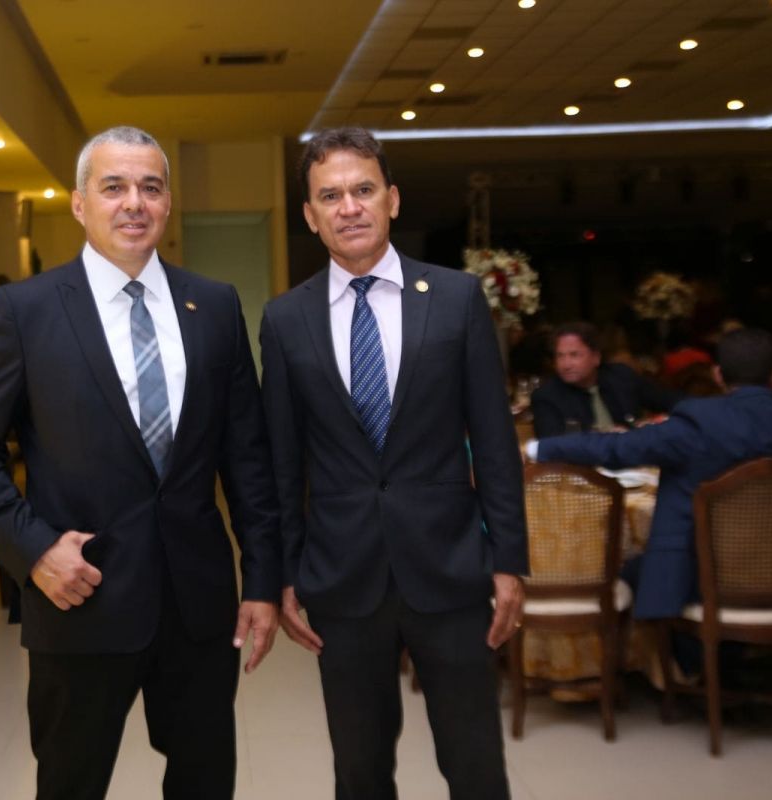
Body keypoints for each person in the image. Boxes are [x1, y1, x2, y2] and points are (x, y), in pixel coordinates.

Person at [0, 126, 281, 800]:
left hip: (197, 605)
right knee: (70, 783)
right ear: (79, 203)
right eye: (114, 187)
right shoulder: (25, 311)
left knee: (205, 782)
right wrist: (34, 551)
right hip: (78, 596)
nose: (134, 202)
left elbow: (246, 456)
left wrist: (263, 581)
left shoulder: (214, 306)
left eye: (151, 187)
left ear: (167, 204)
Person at [259, 126, 526, 800]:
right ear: (310, 215)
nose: (349, 207)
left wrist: (509, 559)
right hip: (343, 577)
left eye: (363, 190)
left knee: (475, 767)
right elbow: (282, 462)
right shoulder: (285, 320)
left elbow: (494, 442)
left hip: (451, 568)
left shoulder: (457, 299)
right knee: (360, 772)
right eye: (330, 196)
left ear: (392, 199)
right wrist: (284, 573)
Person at [528, 328, 772, 620]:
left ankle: (694, 660)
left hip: (703, 583)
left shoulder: (697, 422)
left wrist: (537, 448)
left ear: (718, 375)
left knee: (635, 573)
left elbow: (617, 448)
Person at [530, 321, 679, 437]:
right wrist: (605, 437)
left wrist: (659, 421)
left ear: (596, 357)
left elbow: (674, 401)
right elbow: (553, 444)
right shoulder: (546, 396)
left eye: (574, 355)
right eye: (560, 356)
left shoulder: (620, 376)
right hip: (585, 466)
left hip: (636, 460)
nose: (566, 365)